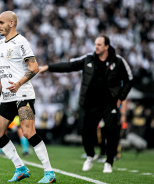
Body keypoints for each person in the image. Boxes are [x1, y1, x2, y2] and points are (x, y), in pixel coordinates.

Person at [39, 35, 133, 173]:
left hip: (109, 103)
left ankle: (109, 162)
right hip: (91, 102)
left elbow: (129, 79)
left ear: (107, 46)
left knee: (111, 130)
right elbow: (69, 66)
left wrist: (121, 97)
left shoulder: (118, 61)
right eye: (95, 44)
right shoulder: (88, 59)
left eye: (99, 44)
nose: (96, 47)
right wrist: (48, 67)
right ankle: (90, 155)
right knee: (86, 131)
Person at [0, 11, 56, 183]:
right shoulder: (0, 44)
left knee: (28, 132)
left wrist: (18, 83)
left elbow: (34, 67)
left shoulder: (21, 42)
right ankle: (20, 168)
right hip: (7, 95)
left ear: (12, 23)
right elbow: (1, 64)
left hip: (23, 94)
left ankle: (49, 173)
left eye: (1, 22)